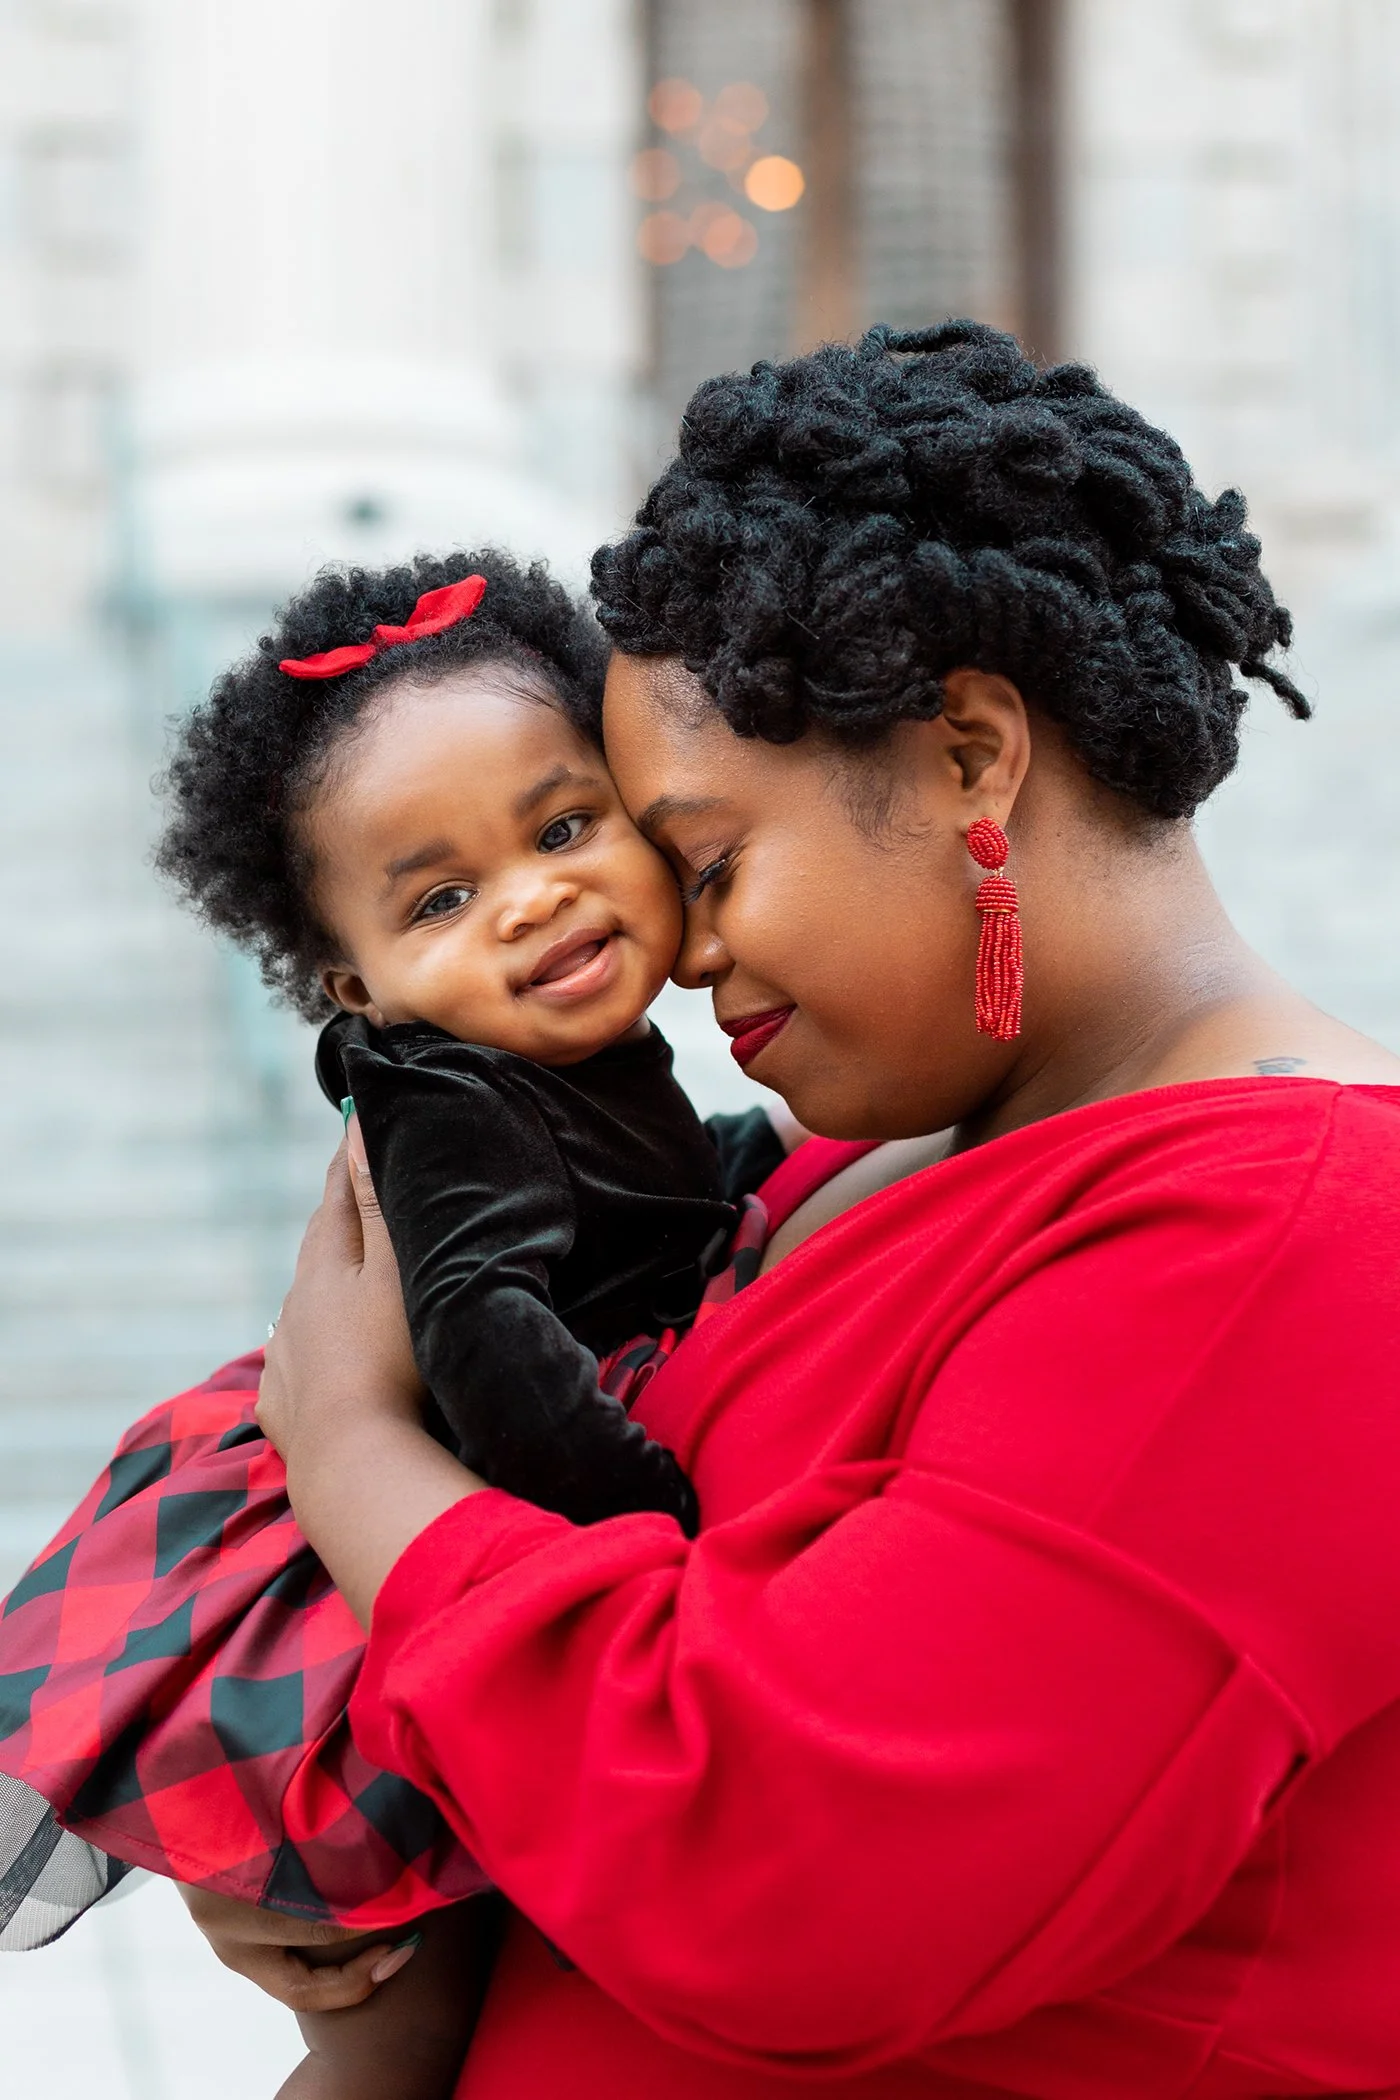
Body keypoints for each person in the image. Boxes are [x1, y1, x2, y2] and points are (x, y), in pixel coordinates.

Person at [196, 322, 1400, 2098]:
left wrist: (355, 1447)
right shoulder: (851, 1158)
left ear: (973, 755)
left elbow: (785, 1869)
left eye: (711, 863)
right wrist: (363, 1853)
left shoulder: (1297, 1243)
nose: (677, 952)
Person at [0, 550, 788, 2100]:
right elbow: (488, 1327)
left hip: (418, 1518)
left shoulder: (577, 1065)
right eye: (443, 897)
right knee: (393, 2032)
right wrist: (654, 1522)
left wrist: (758, 1184)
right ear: (356, 982)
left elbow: (665, 1199)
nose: (535, 898)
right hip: (367, 1569)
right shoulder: (449, 1104)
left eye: (565, 828)